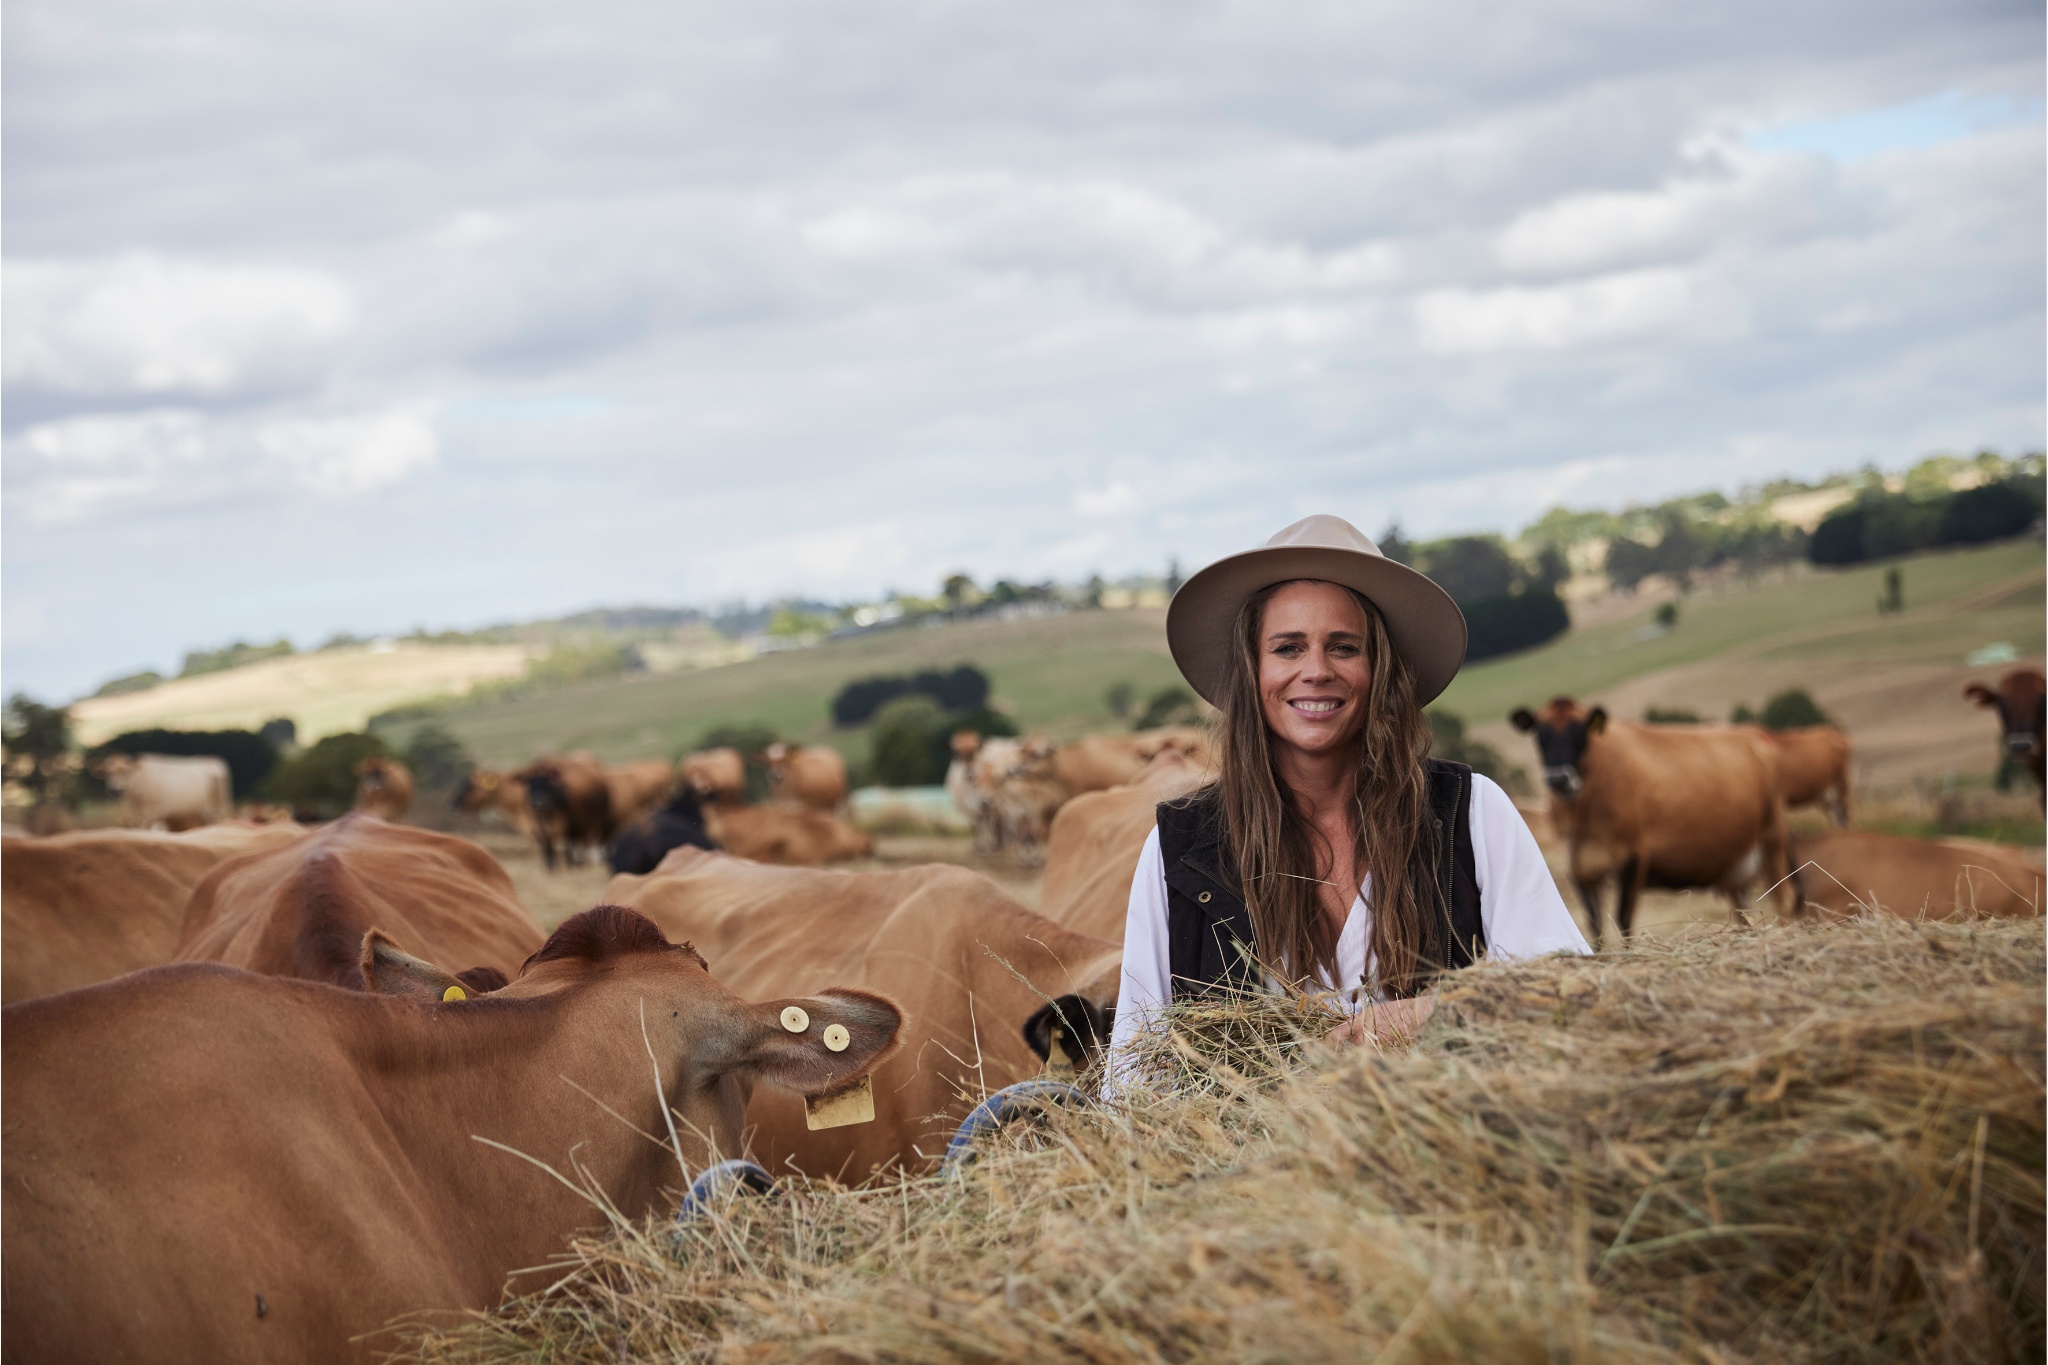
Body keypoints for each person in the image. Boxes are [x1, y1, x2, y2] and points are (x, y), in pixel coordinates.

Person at [1107, 514, 1587, 1083]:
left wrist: (1435, 1013)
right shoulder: (1180, 849)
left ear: (1378, 668)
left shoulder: (1471, 813)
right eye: (1287, 648)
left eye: (1343, 647)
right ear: (1252, 670)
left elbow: (1567, 995)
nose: (1315, 671)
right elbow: (1135, 1075)